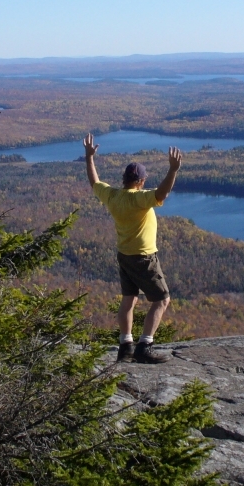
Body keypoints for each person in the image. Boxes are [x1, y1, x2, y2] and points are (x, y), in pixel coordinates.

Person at [83, 133, 182, 364]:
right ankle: (144, 346)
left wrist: (89, 158)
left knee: (129, 299)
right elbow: (162, 193)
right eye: (144, 180)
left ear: (124, 179)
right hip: (144, 257)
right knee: (161, 300)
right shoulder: (138, 200)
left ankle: (125, 345)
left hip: (124, 256)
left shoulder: (113, 196)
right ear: (140, 182)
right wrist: (173, 170)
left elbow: (94, 183)